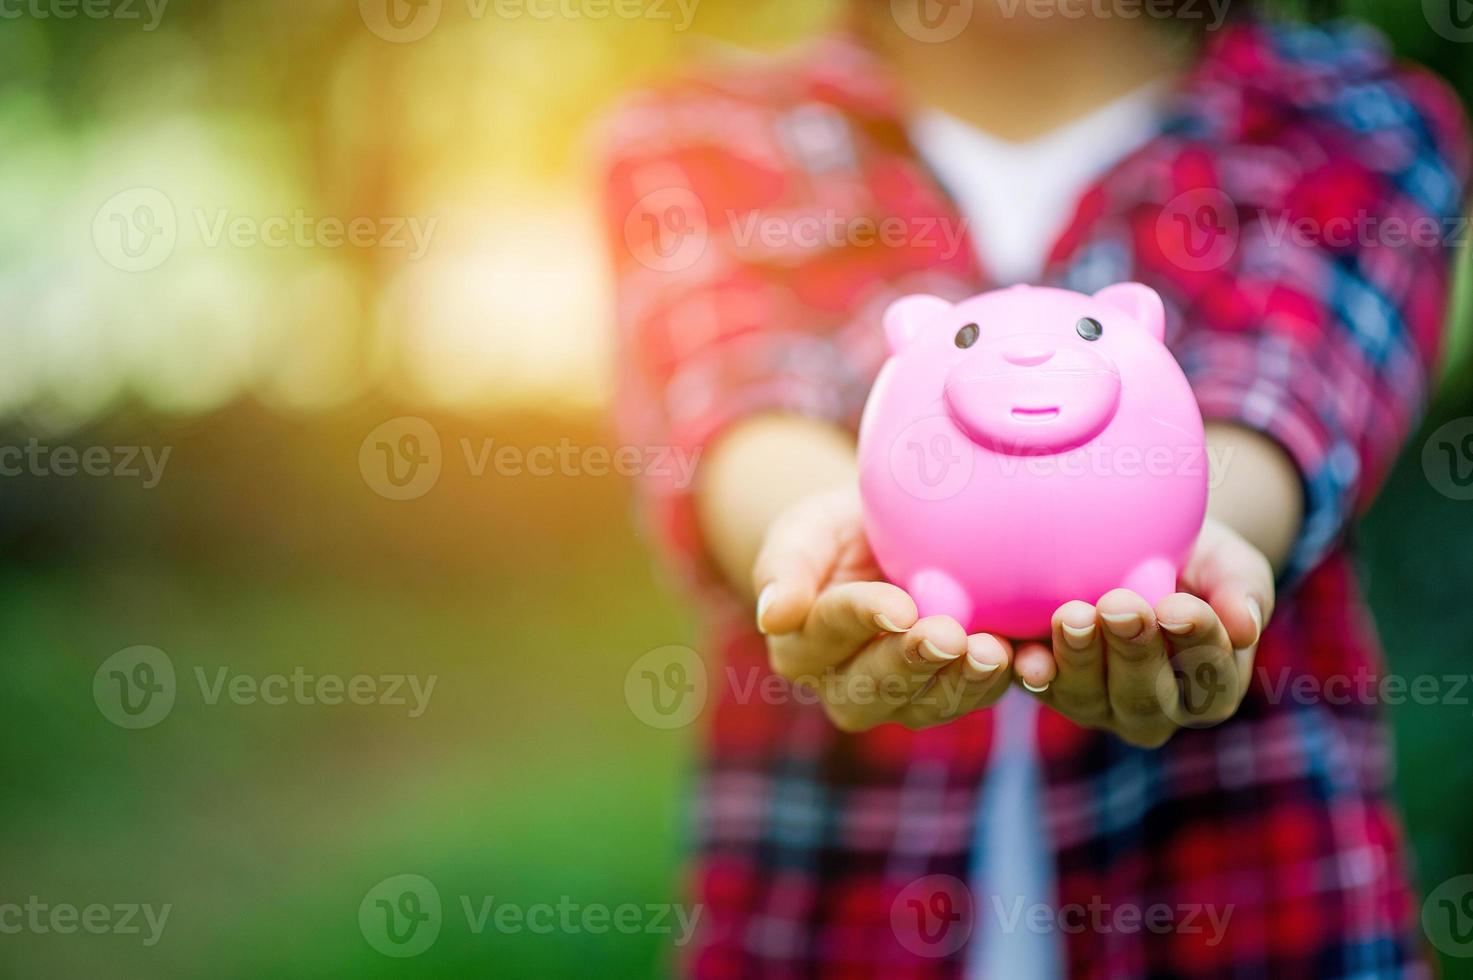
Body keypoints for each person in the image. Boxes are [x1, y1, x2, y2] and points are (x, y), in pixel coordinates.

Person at [601, 1, 1471, 975]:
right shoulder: (711, 139)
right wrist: (827, 541)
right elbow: (732, 401)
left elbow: (1287, 397)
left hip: (1261, 915)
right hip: (817, 924)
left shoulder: (1351, 128)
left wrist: (1197, 561)